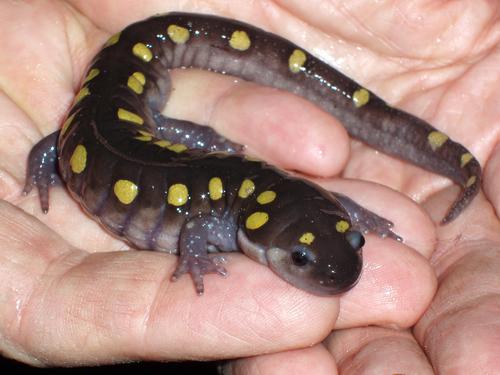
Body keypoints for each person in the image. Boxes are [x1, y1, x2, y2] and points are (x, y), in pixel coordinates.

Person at [1, 0, 499, 373]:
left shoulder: (286, 204)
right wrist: (46, 163)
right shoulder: (222, 215)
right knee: (72, 142)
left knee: (119, 136)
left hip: (133, 114)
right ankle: (59, 154)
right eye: (299, 259)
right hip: (103, 129)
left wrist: (356, 218)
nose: (333, 268)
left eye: (353, 237)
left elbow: (322, 206)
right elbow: (198, 227)